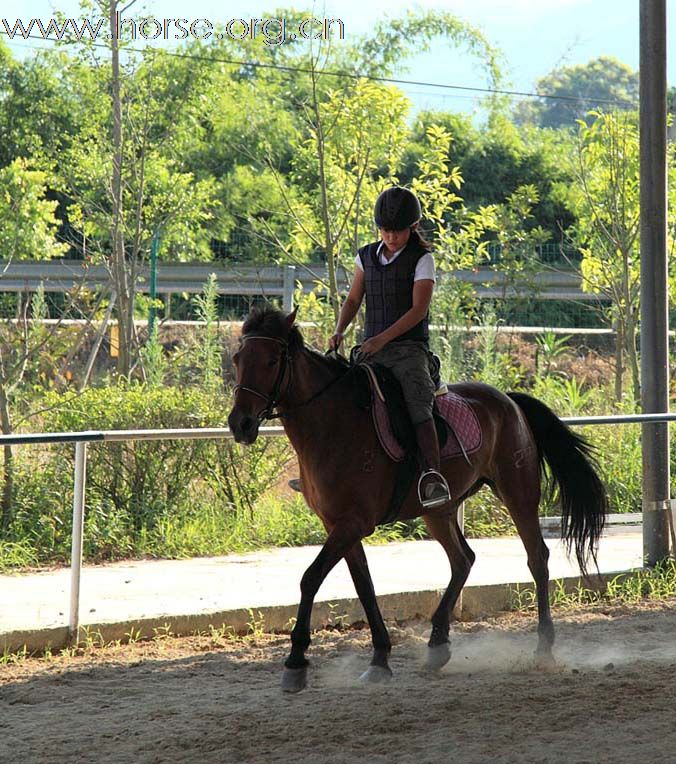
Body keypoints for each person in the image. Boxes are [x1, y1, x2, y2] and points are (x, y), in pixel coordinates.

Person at [327, 186, 451, 509]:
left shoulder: (422, 260)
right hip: (370, 349)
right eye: (385, 230)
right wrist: (339, 330)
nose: (391, 237)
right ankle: (327, 471)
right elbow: (354, 299)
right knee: (337, 395)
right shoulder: (365, 256)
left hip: (409, 351)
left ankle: (433, 476)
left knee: (417, 402)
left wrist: (382, 339)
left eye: (397, 231)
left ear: (412, 227)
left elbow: (417, 311)